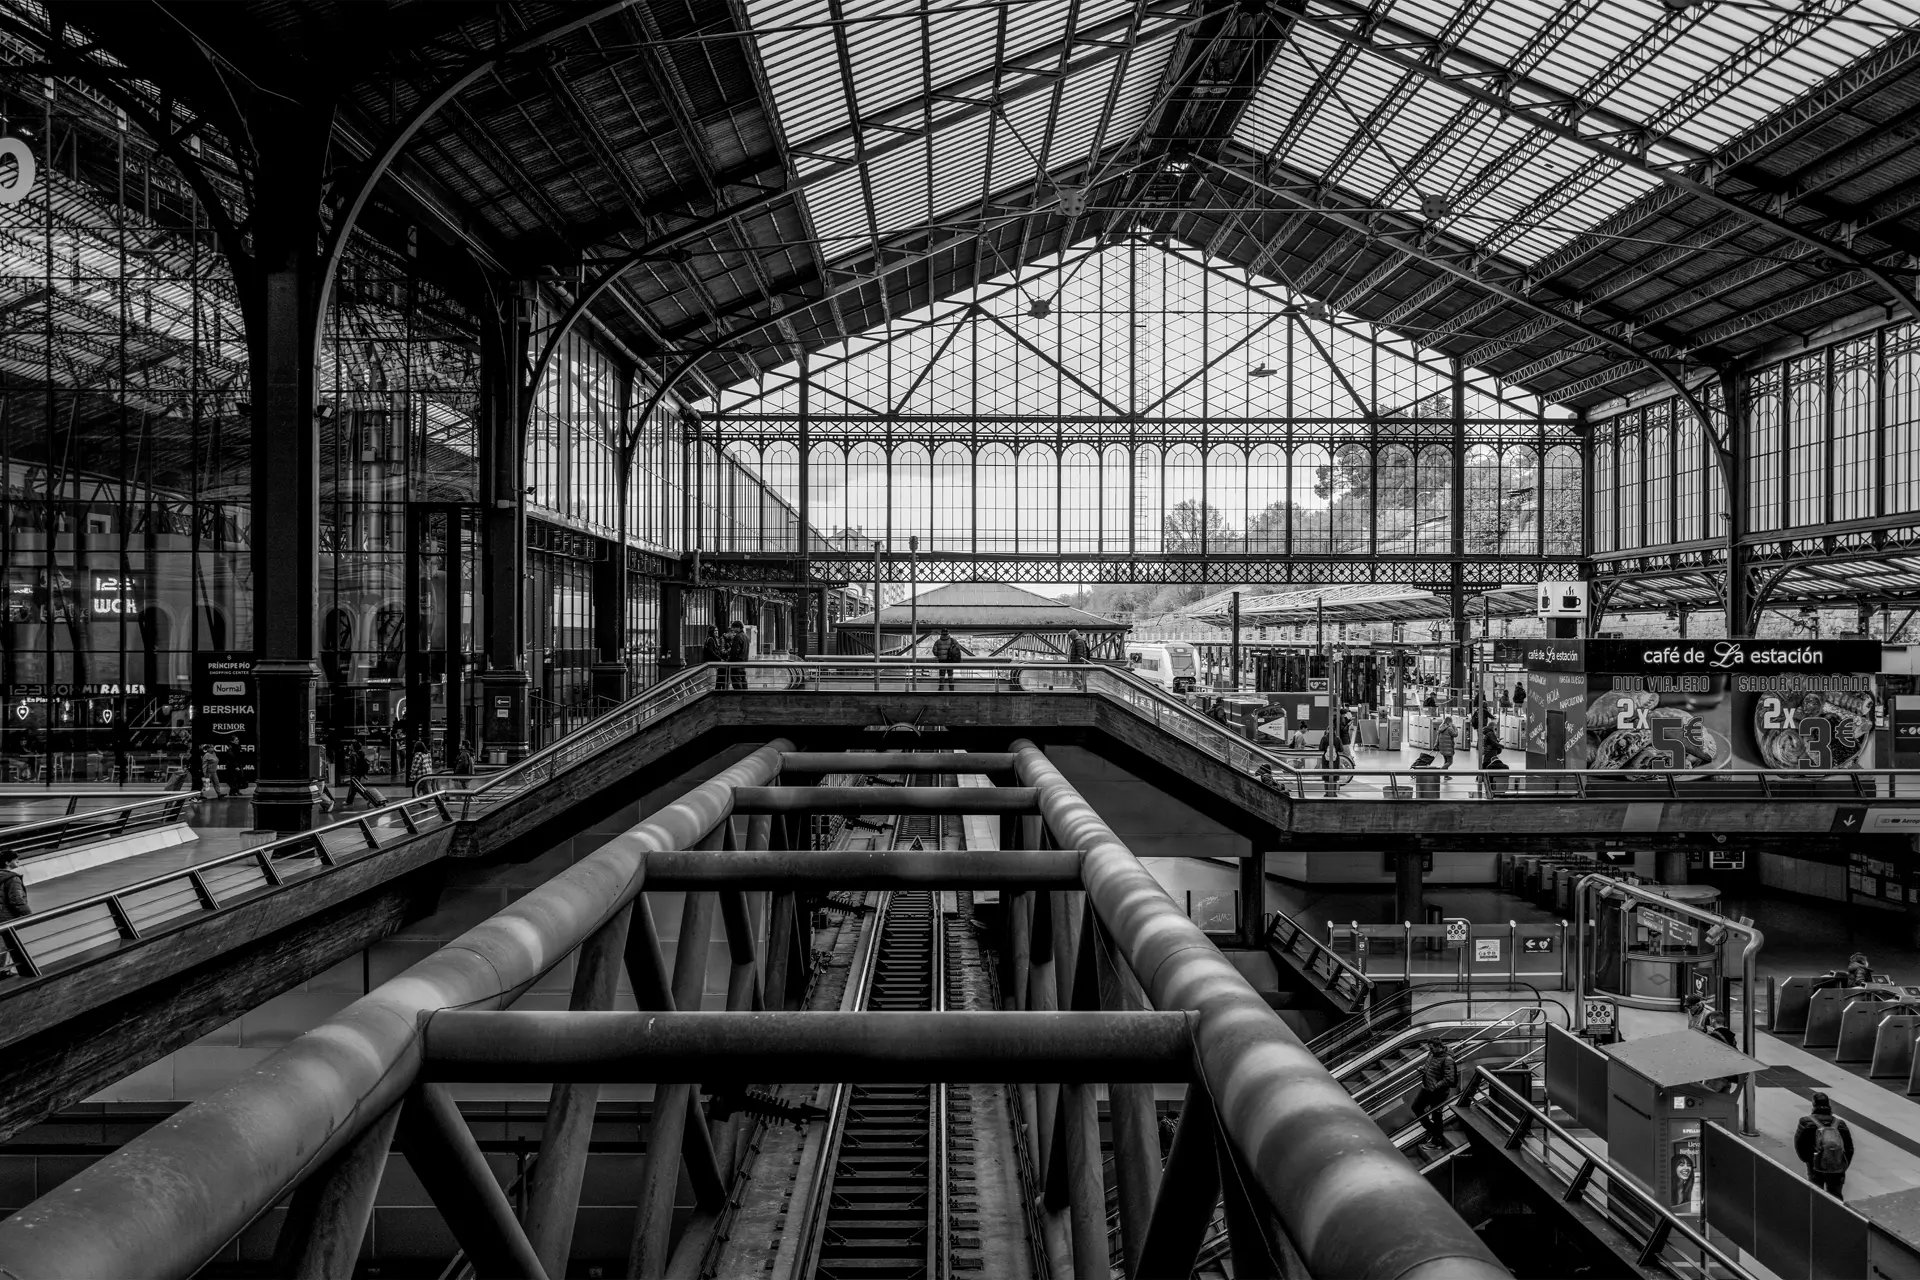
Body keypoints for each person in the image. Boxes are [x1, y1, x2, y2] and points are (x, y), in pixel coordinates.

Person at [1794, 1093, 1854, 1198]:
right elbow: (1849, 1148)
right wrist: (1842, 1164)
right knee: (1835, 1196)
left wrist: (1809, 1160)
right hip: (1836, 1167)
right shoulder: (1840, 1124)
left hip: (1815, 1166)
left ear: (1814, 1104)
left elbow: (1800, 1145)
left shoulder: (1806, 1122)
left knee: (1816, 1195)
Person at [1410, 1038, 1459, 1150]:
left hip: (1439, 1093)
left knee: (1436, 1115)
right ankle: (1432, 1130)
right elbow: (1431, 1067)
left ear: (1438, 1047)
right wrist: (1423, 1069)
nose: (1430, 1050)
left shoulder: (1447, 1059)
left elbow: (1450, 1079)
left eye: (1432, 1048)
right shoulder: (1432, 1054)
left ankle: (1437, 1141)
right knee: (1416, 1107)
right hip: (1427, 1088)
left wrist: (1437, 1085)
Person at [727, 620, 751, 690]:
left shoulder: (738, 637)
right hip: (743, 663)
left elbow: (735, 651)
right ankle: (745, 694)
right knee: (743, 680)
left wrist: (730, 660)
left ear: (738, 627)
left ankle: (739, 695)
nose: (733, 629)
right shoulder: (746, 636)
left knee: (736, 682)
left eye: (734, 628)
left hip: (736, 663)